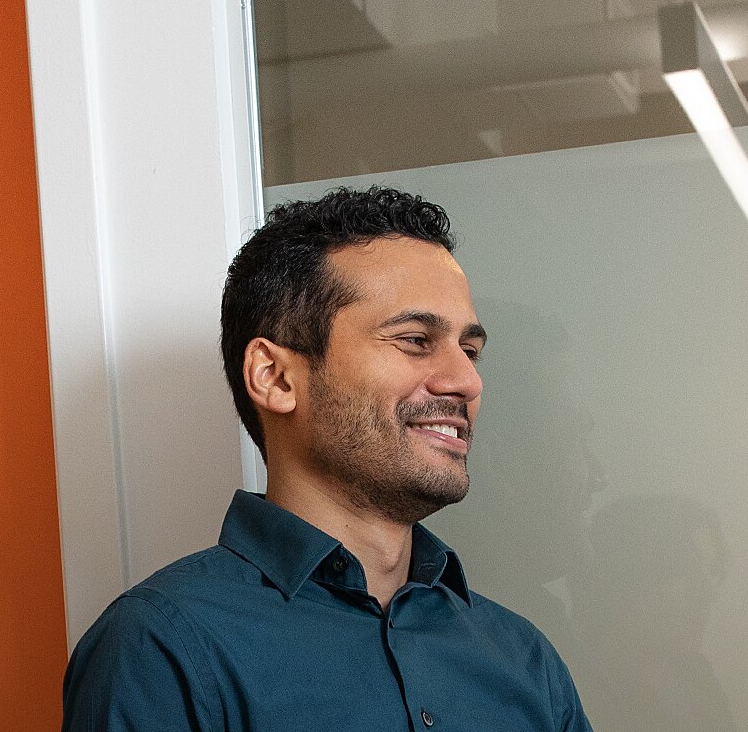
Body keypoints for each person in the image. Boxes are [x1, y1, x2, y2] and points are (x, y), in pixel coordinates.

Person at [62, 186, 591, 730]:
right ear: (276, 378)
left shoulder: (526, 662)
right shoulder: (164, 649)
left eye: (470, 351)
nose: (466, 380)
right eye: (414, 340)